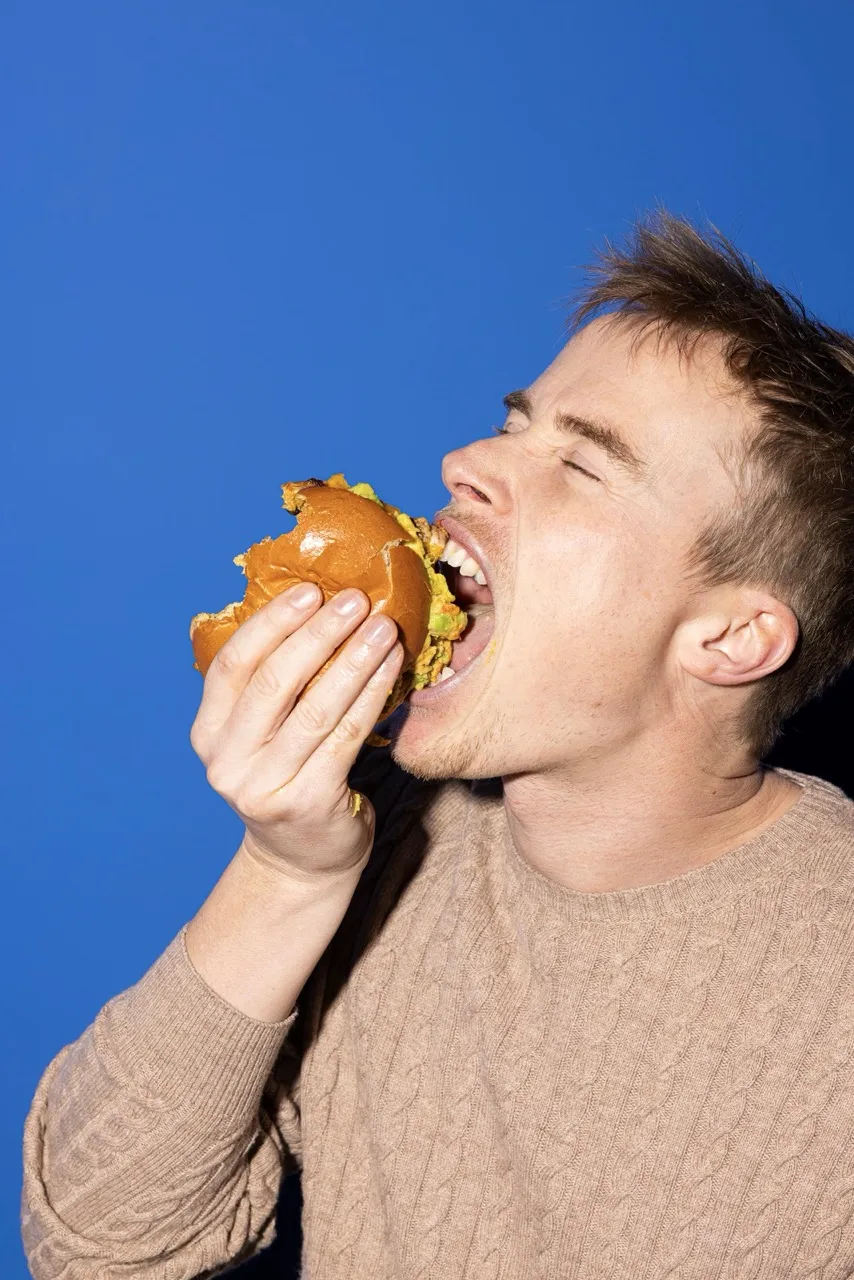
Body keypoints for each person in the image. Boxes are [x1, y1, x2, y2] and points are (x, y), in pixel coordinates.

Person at [22, 211, 854, 1279]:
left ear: (731, 637)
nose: (466, 460)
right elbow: (94, 1243)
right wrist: (283, 872)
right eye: (514, 422)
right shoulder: (386, 827)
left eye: (582, 464)